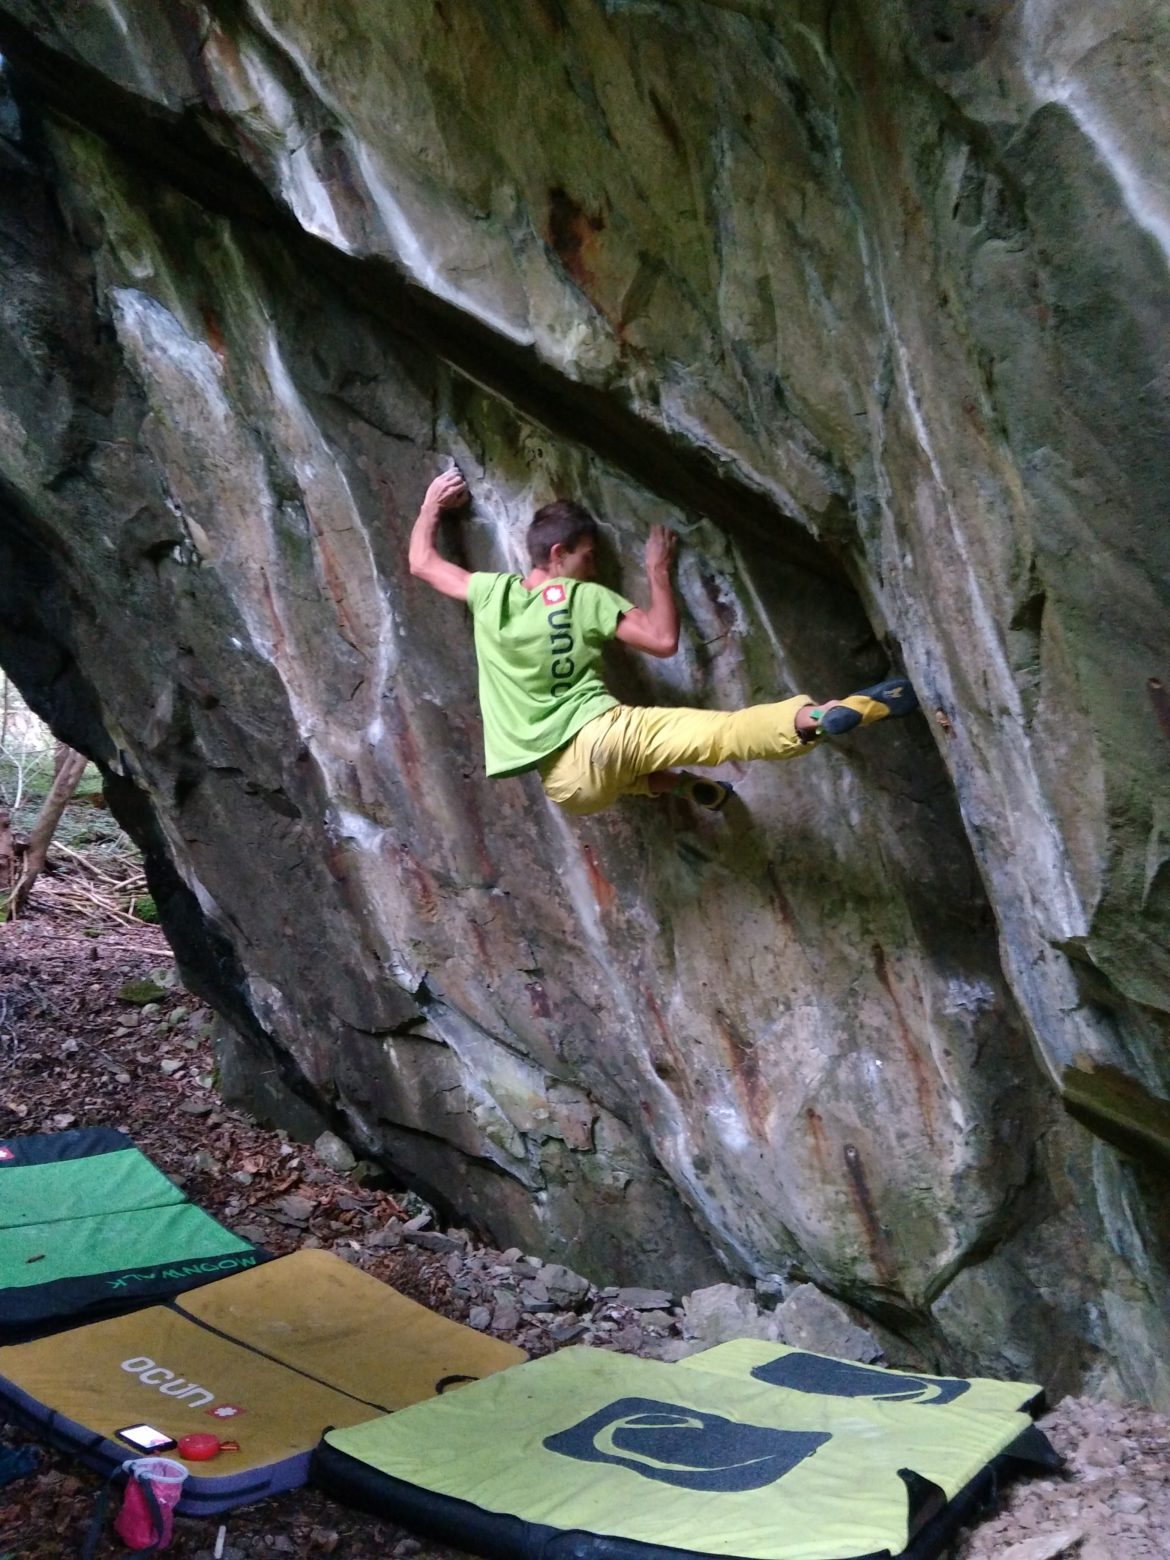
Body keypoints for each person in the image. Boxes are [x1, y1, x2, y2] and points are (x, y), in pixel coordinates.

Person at [408, 468, 919, 815]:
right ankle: (821, 715)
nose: (594, 566)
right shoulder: (586, 599)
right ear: (560, 554)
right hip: (605, 735)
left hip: (567, 787)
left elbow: (422, 563)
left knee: (626, 778)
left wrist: (433, 502)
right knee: (725, 735)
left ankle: (681, 785)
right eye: (588, 557)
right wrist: (657, 571)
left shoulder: (492, 592)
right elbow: (662, 640)